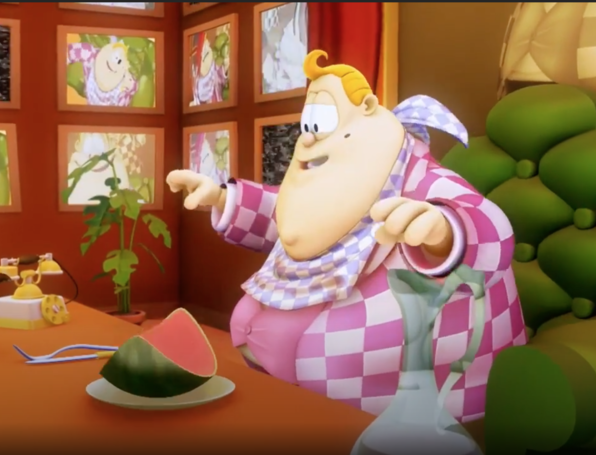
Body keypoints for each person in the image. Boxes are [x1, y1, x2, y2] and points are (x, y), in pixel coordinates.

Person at [167, 50, 526, 422]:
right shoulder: (331, 167)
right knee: (251, 321)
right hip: (300, 393)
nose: (309, 138)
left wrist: (441, 233)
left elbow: (490, 232)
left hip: (438, 376)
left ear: (367, 107)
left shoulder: (416, 171)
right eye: (308, 124)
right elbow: (288, 216)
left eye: (321, 121)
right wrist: (221, 198)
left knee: (324, 348)